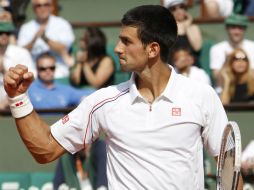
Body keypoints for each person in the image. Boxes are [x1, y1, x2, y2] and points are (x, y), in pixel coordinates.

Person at [3, 5, 243, 189]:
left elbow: (231, 173)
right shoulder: (104, 101)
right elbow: (45, 149)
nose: (117, 48)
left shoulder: (201, 96)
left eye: (127, 41)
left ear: (153, 49)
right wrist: (17, 98)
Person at [17, 0, 75, 79]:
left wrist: (45, 39)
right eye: (39, 5)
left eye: (46, 5)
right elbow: (21, 52)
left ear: (52, 7)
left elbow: (64, 49)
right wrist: (34, 39)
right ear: (34, 8)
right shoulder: (26, 27)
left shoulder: (62, 24)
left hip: (57, 70)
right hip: (33, 71)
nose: (42, 8)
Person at [28, 52, 95, 109]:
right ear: (37, 69)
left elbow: (88, 94)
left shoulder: (65, 89)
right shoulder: (28, 89)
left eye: (52, 68)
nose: (48, 71)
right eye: (43, 68)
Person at [209, 13, 254, 91]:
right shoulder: (217, 48)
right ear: (227, 29)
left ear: (245, 29)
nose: (236, 32)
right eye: (233, 27)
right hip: (224, 91)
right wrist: (227, 62)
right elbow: (218, 80)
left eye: (240, 28)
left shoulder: (252, 47)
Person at [0, 20, 34, 110]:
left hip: (17, 103)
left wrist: (4, 70)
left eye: (7, 33)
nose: (4, 35)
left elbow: (30, 80)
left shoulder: (21, 53)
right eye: (0, 33)